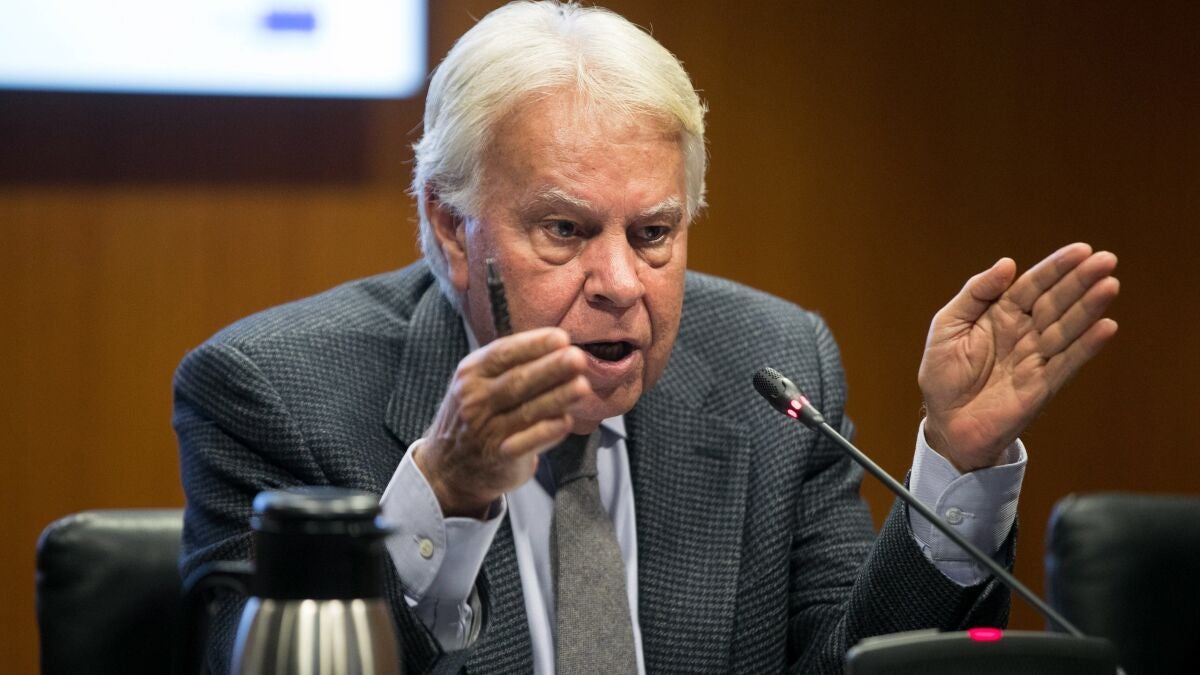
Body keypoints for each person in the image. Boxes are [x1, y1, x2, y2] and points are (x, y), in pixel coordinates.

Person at [174, 2, 1120, 673]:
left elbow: (849, 663)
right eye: (566, 230)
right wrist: (444, 497)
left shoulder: (775, 368)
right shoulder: (272, 392)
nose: (622, 283)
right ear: (453, 229)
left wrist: (959, 461)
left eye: (654, 233)